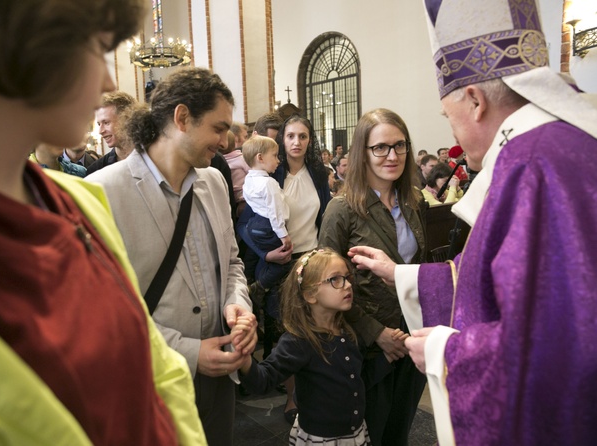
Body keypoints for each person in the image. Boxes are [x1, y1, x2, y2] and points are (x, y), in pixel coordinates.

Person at [0, 0, 206, 444]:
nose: (110, 80)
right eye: (97, 48)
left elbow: (153, 365)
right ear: (24, 35)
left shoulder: (79, 199)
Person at [348, 1, 597, 445]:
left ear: (476, 101)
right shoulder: (556, 149)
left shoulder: (534, 166)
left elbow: (561, 347)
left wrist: (445, 352)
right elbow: (498, 282)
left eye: (449, 116)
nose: (454, 133)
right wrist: (398, 273)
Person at [86, 67, 256, 446]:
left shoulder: (213, 181)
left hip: (218, 382)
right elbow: (102, 313)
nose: (226, 141)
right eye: (218, 127)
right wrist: (190, 353)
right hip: (150, 383)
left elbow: (231, 263)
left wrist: (237, 306)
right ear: (182, 118)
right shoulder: (101, 191)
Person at [319, 108, 427, 446]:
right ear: (361, 152)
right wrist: (375, 332)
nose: (392, 156)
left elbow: (414, 266)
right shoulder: (342, 209)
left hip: (410, 334)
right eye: (380, 147)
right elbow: (324, 287)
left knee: (399, 429)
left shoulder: (412, 200)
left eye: (399, 145)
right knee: (370, 433)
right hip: (367, 345)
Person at [236, 114, 331, 424]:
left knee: (318, 330)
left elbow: (326, 215)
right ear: (281, 140)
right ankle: (291, 396)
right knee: (289, 333)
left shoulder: (316, 172)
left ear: (309, 140)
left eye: (302, 136)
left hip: (313, 257)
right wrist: (267, 256)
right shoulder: (270, 176)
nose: (296, 142)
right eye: (290, 136)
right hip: (283, 261)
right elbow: (246, 224)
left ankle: (316, 391)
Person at [235, 249, 370, 445]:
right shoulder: (299, 341)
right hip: (322, 437)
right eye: (335, 279)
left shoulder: (346, 328)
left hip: (353, 431)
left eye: (347, 277)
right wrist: (244, 359)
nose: (348, 285)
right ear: (309, 295)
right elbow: (264, 380)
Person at [242, 136, 291, 305]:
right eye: (275, 156)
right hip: (268, 226)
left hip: (254, 225)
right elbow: (275, 213)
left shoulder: (248, 179)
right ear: (260, 158)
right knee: (284, 262)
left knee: (260, 259)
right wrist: (284, 235)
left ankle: (253, 284)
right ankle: (259, 288)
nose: (278, 161)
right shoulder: (269, 183)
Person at [85, 91, 137, 176]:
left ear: (126, 120)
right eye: (99, 124)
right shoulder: (96, 171)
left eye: (106, 123)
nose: (100, 131)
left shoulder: (154, 159)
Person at [220, 130, 250, 217]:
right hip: (242, 194)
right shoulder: (241, 158)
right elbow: (250, 171)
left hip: (237, 195)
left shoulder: (220, 161)